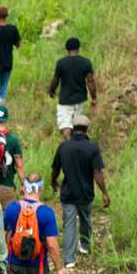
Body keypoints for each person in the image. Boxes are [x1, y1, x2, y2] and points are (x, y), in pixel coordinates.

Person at [48, 111, 111, 266]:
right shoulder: (92, 148)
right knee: (85, 219)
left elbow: (55, 168)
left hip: (68, 192)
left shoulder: (64, 147)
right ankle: (85, 245)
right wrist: (104, 193)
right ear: (86, 129)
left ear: (73, 128)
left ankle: (69, 259)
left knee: (69, 224)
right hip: (86, 193)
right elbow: (97, 172)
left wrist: (54, 181)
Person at [48, 37, 97, 138]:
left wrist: (51, 91)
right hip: (80, 100)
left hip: (65, 100)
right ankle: (78, 145)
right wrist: (94, 98)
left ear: (67, 49)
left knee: (65, 126)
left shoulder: (61, 63)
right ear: (78, 48)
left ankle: (69, 146)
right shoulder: (86, 62)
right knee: (77, 126)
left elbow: (56, 80)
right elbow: (90, 81)